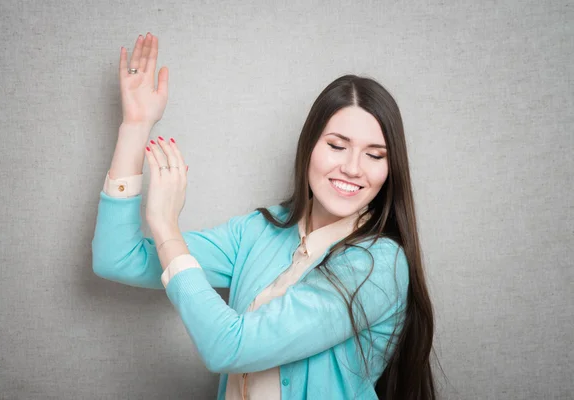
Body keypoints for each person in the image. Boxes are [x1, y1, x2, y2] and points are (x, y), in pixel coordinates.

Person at [92, 32, 437, 400]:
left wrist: (165, 225)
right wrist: (135, 127)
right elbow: (118, 258)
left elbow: (230, 347)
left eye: (375, 155)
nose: (353, 168)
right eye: (337, 146)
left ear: (390, 169)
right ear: (309, 146)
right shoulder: (258, 231)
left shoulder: (378, 265)